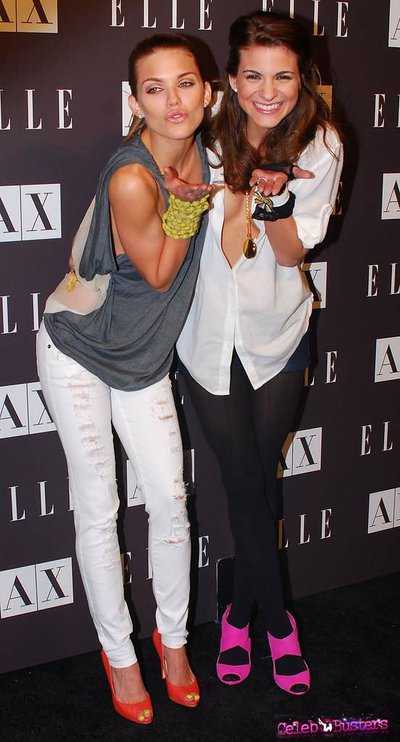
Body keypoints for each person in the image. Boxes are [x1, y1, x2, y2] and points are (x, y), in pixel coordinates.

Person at [36, 33, 212, 724]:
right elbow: (163, 272)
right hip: (79, 350)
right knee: (100, 506)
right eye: (155, 88)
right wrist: (187, 204)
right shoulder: (133, 176)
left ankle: (174, 644)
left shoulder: (205, 150)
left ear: (208, 91)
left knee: (169, 498)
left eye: (186, 83)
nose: (174, 101)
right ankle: (120, 656)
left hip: (141, 360)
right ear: (134, 101)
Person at [177, 11, 343, 695]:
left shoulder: (321, 143)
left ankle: (238, 616)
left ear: (302, 77)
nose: (267, 92)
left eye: (283, 76)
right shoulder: (199, 131)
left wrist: (274, 200)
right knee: (248, 483)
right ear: (231, 77)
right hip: (204, 336)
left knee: (251, 485)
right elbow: (177, 227)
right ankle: (278, 625)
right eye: (253, 75)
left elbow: (291, 252)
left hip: (279, 336)